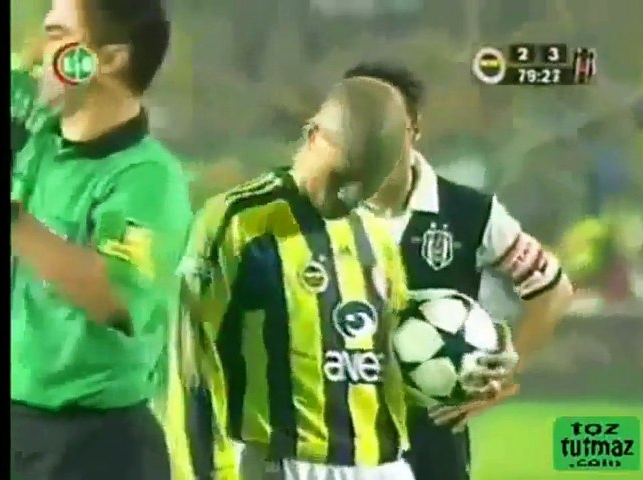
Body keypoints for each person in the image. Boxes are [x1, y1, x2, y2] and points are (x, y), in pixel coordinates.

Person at [342, 61, 575, 480]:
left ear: (414, 128)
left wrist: (509, 368)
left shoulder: (470, 213)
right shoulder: (312, 212)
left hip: (434, 436)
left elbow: (553, 290)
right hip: (335, 431)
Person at [181, 77, 417, 480]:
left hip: (386, 467)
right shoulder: (240, 222)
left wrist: (463, 375)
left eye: (364, 185)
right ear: (313, 136)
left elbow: (398, 355)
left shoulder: (378, 236)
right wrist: (210, 470)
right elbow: (194, 362)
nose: (348, 196)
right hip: (285, 465)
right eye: (341, 177)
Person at [10, 0, 192, 479]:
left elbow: (117, 295)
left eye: (57, 35)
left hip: (95, 447)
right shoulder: (35, 142)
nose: (38, 51)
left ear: (109, 58)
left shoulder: (147, 177)